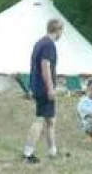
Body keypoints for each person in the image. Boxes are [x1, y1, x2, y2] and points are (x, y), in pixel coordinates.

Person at [21, 18, 62, 164]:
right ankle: (28, 153)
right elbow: (45, 66)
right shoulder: (49, 45)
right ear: (58, 30)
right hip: (44, 88)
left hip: (37, 86)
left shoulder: (39, 43)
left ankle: (53, 151)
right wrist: (50, 88)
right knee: (40, 119)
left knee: (50, 120)